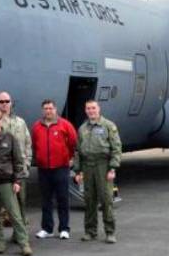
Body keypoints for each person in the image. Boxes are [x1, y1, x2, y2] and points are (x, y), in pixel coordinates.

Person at [0, 109, 33, 256]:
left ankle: (24, 243)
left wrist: (17, 180)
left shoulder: (10, 138)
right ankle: (0, 242)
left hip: (6, 181)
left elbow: (18, 161)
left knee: (14, 214)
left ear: (1, 120)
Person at [73, 100, 122, 244]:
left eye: (93, 108)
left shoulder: (108, 126)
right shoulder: (82, 128)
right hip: (87, 167)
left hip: (103, 166)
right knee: (89, 200)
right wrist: (78, 170)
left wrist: (112, 168)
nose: (91, 111)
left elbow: (116, 147)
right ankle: (90, 231)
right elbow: (77, 152)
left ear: (98, 109)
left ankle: (110, 232)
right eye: (88, 108)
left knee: (106, 200)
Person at [0, 91, 32, 234]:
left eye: (7, 101)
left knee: (20, 204)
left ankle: (19, 236)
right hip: (0, 172)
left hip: (18, 171)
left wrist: (27, 164)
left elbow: (27, 144)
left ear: (11, 103)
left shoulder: (20, 122)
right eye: (1, 102)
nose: (4, 104)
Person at [31, 99, 77, 239]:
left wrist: (68, 158)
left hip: (60, 168)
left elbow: (73, 143)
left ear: (55, 109)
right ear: (42, 110)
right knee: (46, 200)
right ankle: (47, 228)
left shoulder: (65, 125)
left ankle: (64, 229)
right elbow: (34, 144)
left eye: (50, 108)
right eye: (45, 108)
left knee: (62, 199)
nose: (48, 111)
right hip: (44, 169)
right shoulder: (37, 127)